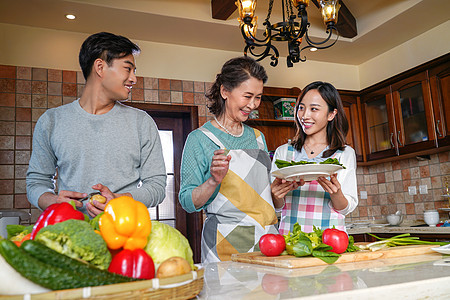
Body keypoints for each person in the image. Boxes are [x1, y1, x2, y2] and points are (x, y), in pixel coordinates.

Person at [26, 32, 167, 218]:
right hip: (71, 235)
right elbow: (36, 182)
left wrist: (120, 200)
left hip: (126, 234)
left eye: (135, 71)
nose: (134, 78)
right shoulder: (51, 121)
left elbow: (157, 186)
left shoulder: (142, 123)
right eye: (128, 69)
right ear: (100, 67)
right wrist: (53, 201)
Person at [179, 56, 281, 263]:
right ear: (225, 91)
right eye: (247, 96)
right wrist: (213, 180)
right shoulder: (200, 139)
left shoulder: (258, 138)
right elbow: (187, 202)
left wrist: (281, 188)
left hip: (268, 241)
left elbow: (265, 197)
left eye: (258, 97)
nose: (253, 105)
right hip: (224, 244)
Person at [271, 81, 358, 235]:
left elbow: (345, 209)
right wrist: (276, 195)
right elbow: (277, 206)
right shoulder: (283, 152)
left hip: (330, 241)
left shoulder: (344, 153)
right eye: (301, 108)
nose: (305, 115)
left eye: (314, 109)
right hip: (290, 240)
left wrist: (336, 193)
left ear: (331, 114)